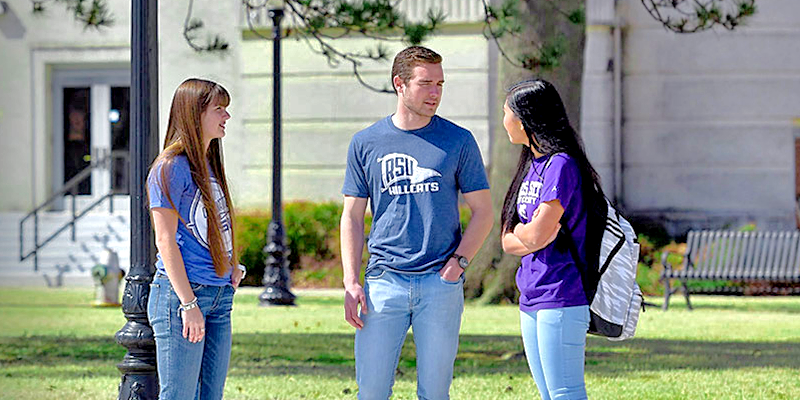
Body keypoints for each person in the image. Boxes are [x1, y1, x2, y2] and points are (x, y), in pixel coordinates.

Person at [340, 46, 494, 399]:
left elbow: (484, 212)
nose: (435, 93)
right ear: (400, 84)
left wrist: (457, 265)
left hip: (440, 285)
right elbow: (352, 216)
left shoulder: (458, 140)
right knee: (373, 391)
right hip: (383, 283)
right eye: (426, 84)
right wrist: (350, 281)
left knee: (435, 393)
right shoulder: (366, 143)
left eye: (440, 84)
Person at [499, 79, 605, 400]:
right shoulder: (532, 165)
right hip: (531, 294)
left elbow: (539, 234)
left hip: (562, 295)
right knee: (548, 394)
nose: (503, 120)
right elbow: (508, 239)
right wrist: (526, 236)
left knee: (565, 394)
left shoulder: (561, 165)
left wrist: (528, 236)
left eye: (506, 113)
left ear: (526, 119)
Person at [146, 78, 245, 400]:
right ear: (194, 114)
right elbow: (166, 241)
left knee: (210, 396)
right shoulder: (169, 168)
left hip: (218, 295)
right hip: (182, 298)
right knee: (178, 396)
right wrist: (188, 304)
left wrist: (230, 263)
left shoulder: (209, 164)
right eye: (219, 109)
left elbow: (210, 225)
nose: (226, 117)